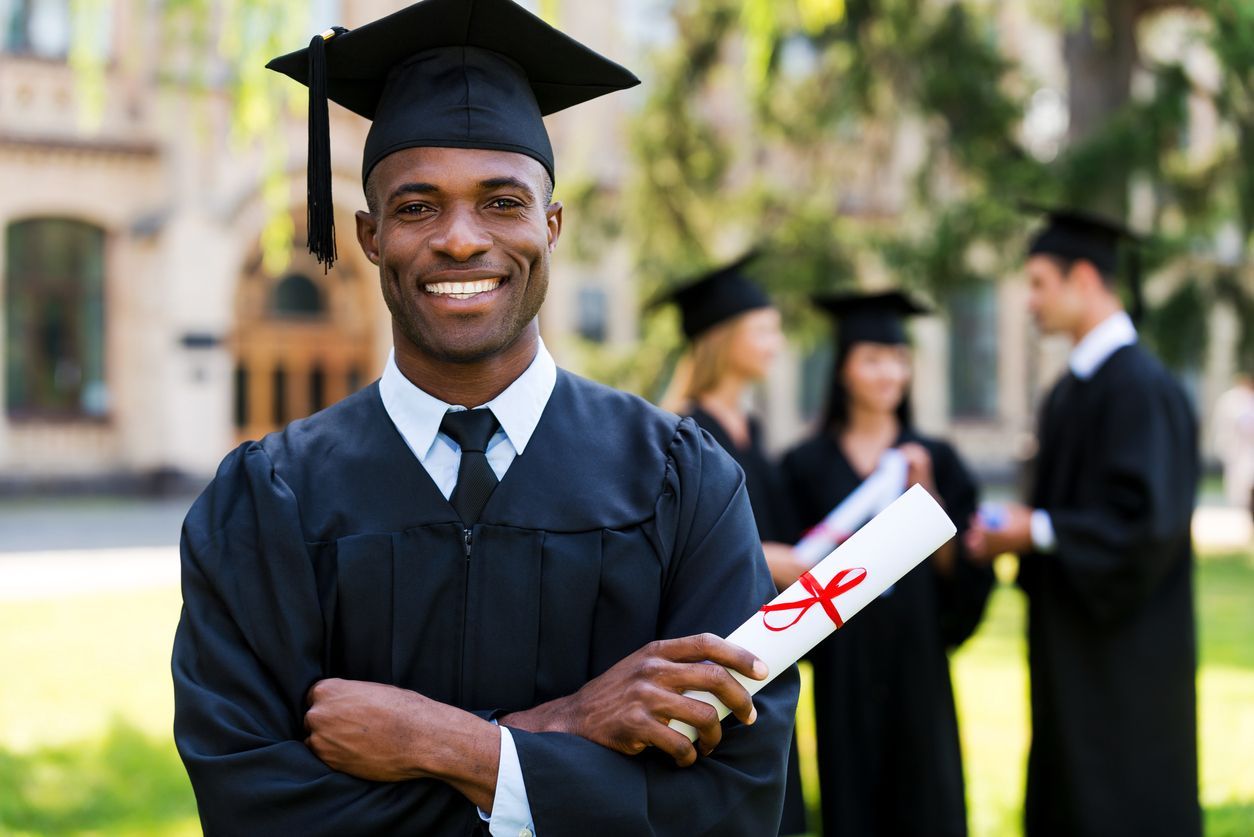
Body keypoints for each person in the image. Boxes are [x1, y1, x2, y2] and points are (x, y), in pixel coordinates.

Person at [170, 1, 798, 835]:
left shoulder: (683, 481)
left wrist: (460, 747)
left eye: (502, 202)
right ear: (368, 235)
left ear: (552, 224)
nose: (462, 239)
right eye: (419, 206)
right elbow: (255, 809)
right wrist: (565, 737)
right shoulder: (267, 501)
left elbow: (732, 800)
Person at [966, 207, 1201, 837]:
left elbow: (1147, 526)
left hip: (1129, 660)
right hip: (1071, 647)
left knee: (1123, 800)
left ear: (1086, 280)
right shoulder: (1072, 389)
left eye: (1040, 282)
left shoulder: (1139, 388)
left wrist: (1037, 530)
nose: (1029, 302)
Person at [780, 291, 993, 837]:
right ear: (844, 369)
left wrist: (929, 500)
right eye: (873, 358)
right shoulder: (805, 465)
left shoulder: (935, 458)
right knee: (852, 803)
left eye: (898, 358)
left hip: (917, 660)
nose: (888, 372)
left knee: (928, 798)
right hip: (844, 666)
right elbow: (790, 579)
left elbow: (964, 574)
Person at [655, 252, 809, 836]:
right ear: (725, 336)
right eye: (764, 328)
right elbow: (676, 548)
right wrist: (772, 559)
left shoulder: (755, 429)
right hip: (710, 647)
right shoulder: (682, 435)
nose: (776, 341)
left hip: (768, 648)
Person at [1213, 372, 1254, 523]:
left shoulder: (1244, 399)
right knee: (1240, 485)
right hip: (1238, 450)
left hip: (1245, 451)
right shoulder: (1234, 400)